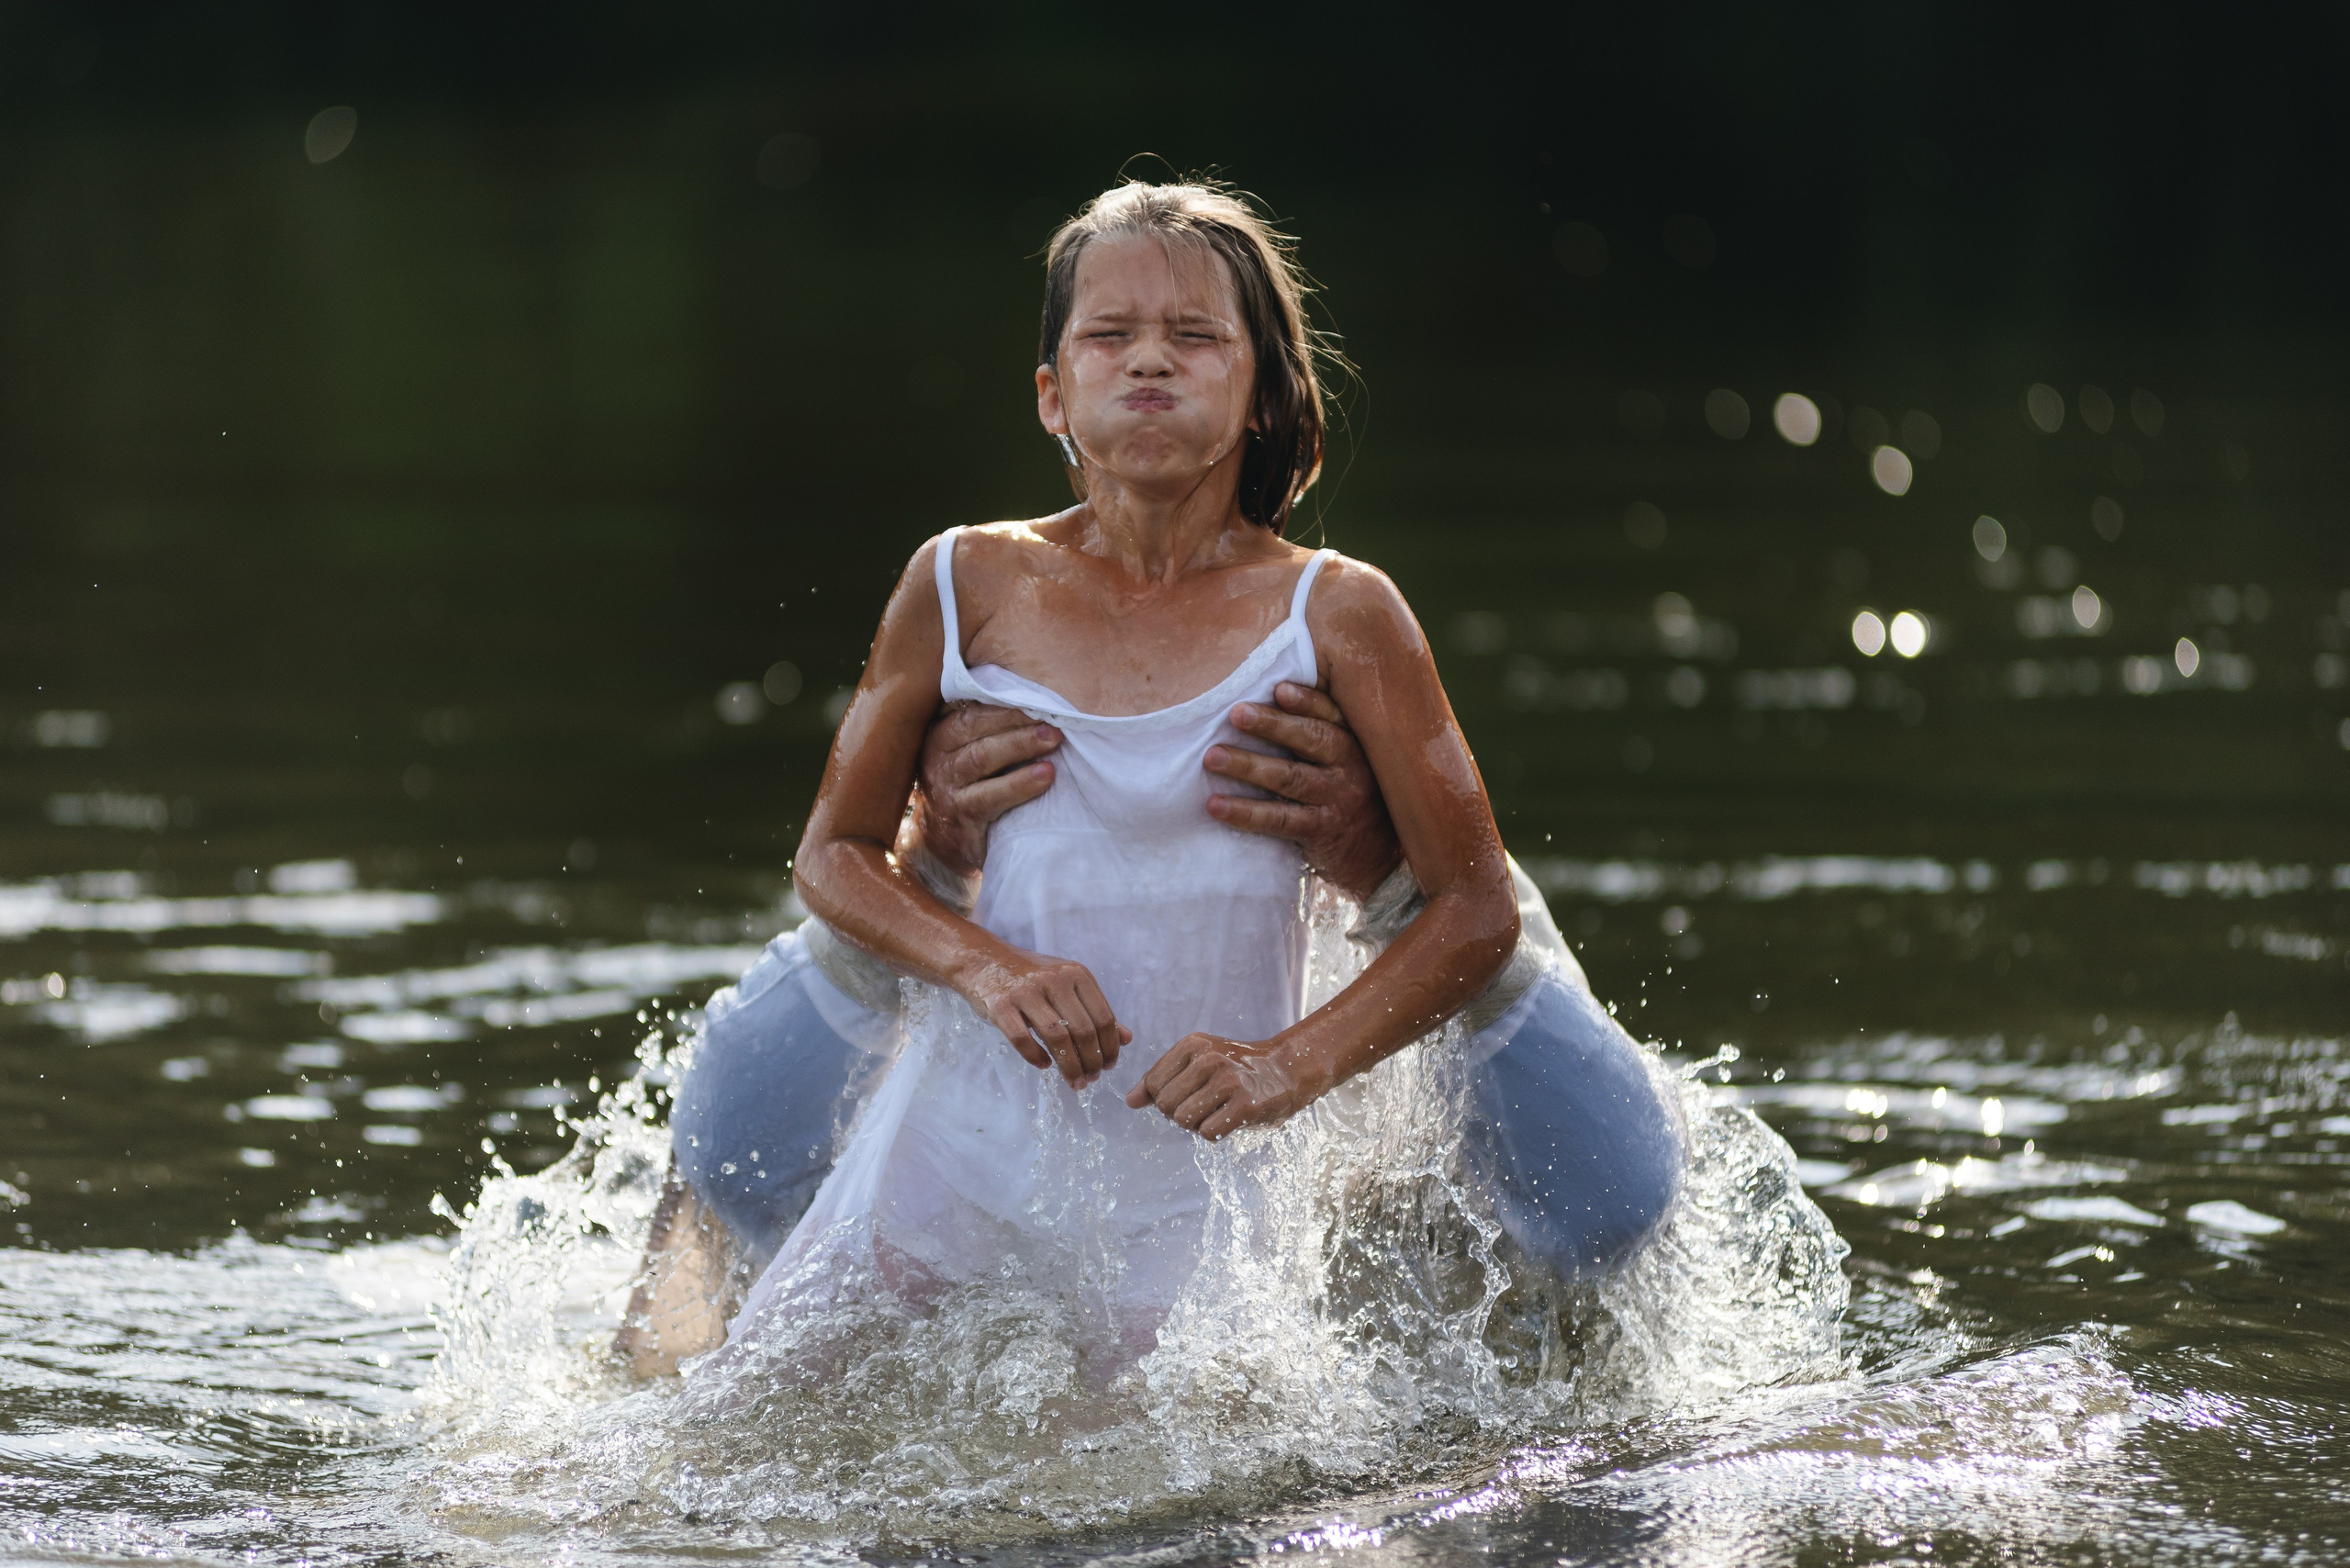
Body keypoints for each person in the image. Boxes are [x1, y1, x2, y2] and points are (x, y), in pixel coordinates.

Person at [616, 181, 1684, 1376]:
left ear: (1264, 387)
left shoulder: (1341, 612)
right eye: (1108, 337)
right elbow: (832, 854)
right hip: (956, 1138)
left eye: (1195, 337)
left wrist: (1285, 1067)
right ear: (1050, 393)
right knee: (753, 1432)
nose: (1148, 365)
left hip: (1197, 1164)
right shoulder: (962, 582)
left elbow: (1476, 908)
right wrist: (987, 963)